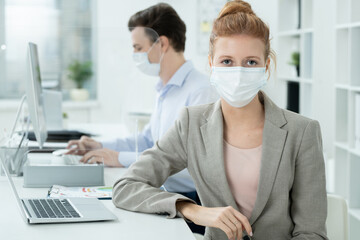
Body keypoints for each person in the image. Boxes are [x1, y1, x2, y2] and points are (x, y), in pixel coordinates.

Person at [111, 1, 328, 239]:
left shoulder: (302, 131)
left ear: (266, 67)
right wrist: (192, 210)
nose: (238, 72)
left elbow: (312, 232)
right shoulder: (191, 123)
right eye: (227, 61)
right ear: (211, 65)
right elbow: (126, 186)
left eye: (251, 62)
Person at [67, 3, 216, 235]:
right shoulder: (165, 90)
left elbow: (193, 168)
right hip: (160, 191)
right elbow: (148, 140)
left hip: (187, 202)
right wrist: (102, 147)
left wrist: (120, 158)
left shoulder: (201, 92)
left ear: (162, 43)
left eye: (138, 47)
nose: (135, 55)